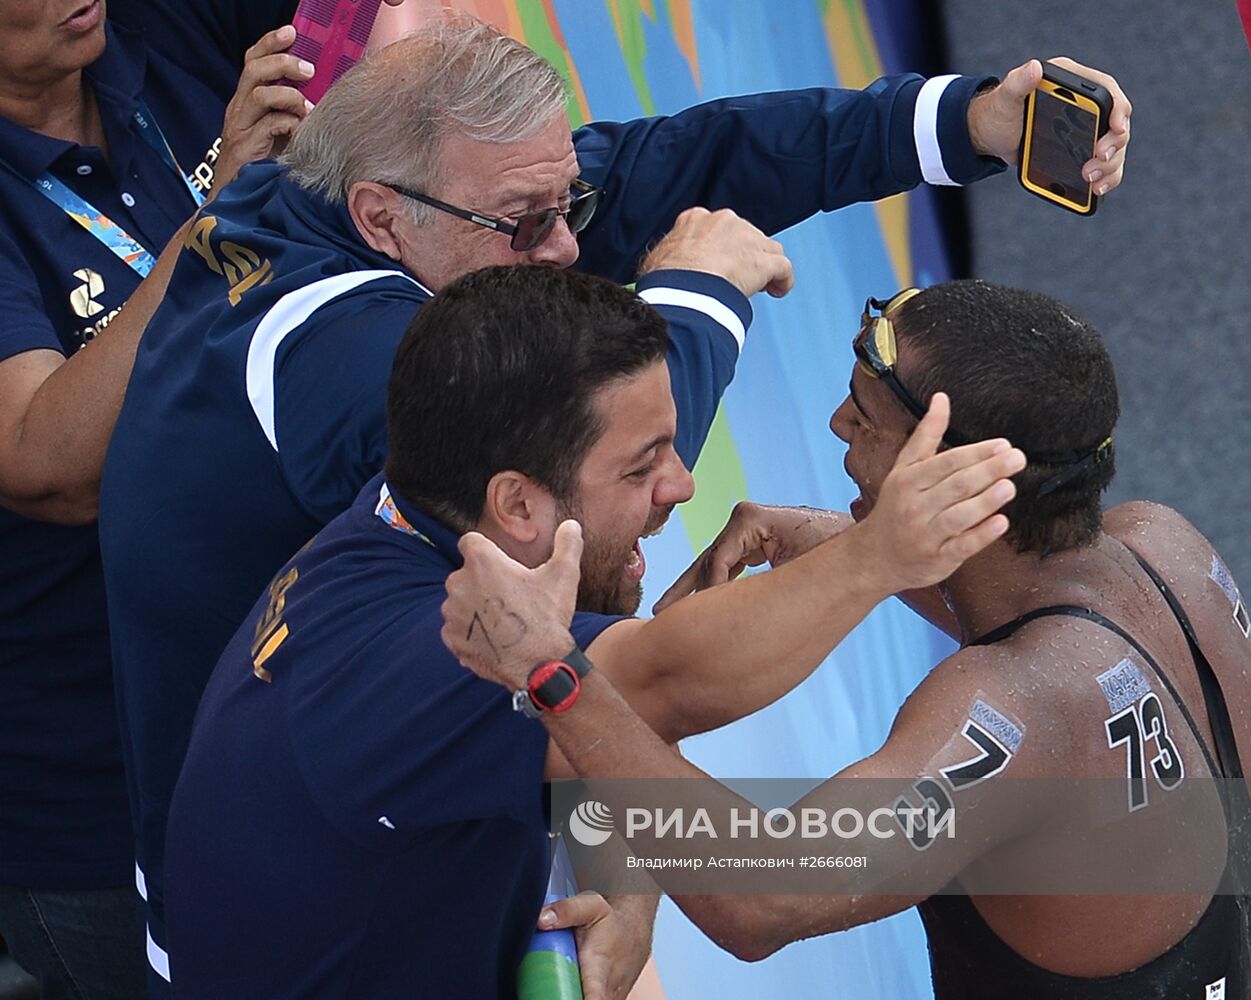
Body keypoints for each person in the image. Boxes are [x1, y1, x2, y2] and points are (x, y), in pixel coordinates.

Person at [97, 10, 1130, 971]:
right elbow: (735, 853)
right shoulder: (373, 430)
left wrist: (965, 120)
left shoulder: (379, 271)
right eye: (527, 222)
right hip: (273, 906)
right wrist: (869, 550)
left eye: (565, 209)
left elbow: (588, 707)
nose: (564, 244)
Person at [162, 264, 1023, 998]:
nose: (683, 487)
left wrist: (625, 885)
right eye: (643, 464)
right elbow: (659, 690)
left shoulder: (416, 524)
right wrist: (875, 557)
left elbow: (590, 739)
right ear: (518, 502)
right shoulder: (439, 650)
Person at [442, 279, 1251, 998]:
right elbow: (1028, 599)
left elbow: (762, 899)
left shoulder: (1012, 708)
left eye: (862, 419)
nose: (835, 425)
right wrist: (841, 547)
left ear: (953, 476)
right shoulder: (1166, 550)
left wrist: (553, 669)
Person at [0, 0, 415, 995]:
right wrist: (220, 217)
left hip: (289, 714)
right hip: (109, 812)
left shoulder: (153, 33)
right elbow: (46, 462)